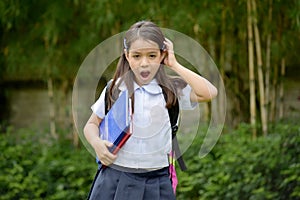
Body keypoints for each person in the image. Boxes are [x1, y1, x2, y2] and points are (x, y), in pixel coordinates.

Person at [83, 20, 218, 200]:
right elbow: (92, 123)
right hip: (116, 178)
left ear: (162, 55)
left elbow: (209, 92)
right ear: (127, 56)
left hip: (157, 180)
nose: (144, 63)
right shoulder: (115, 88)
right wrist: (96, 143)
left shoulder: (171, 89)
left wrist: (175, 64)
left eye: (152, 56)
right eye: (137, 56)